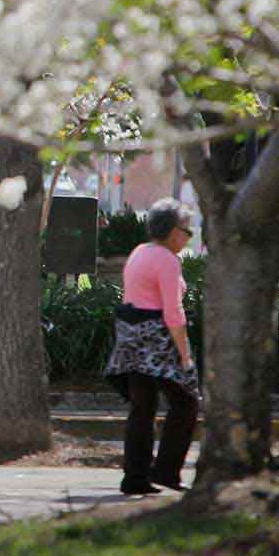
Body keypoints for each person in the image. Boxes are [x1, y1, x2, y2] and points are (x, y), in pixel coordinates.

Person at [105, 199, 199, 495]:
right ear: (173, 232)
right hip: (157, 340)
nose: (188, 238)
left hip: (130, 338)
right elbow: (173, 312)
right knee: (186, 402)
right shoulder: (168, 260)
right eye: (188, 232)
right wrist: (185, 355)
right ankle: (166, 471)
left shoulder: (139, 252)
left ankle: (135, 478)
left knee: (142, 409)